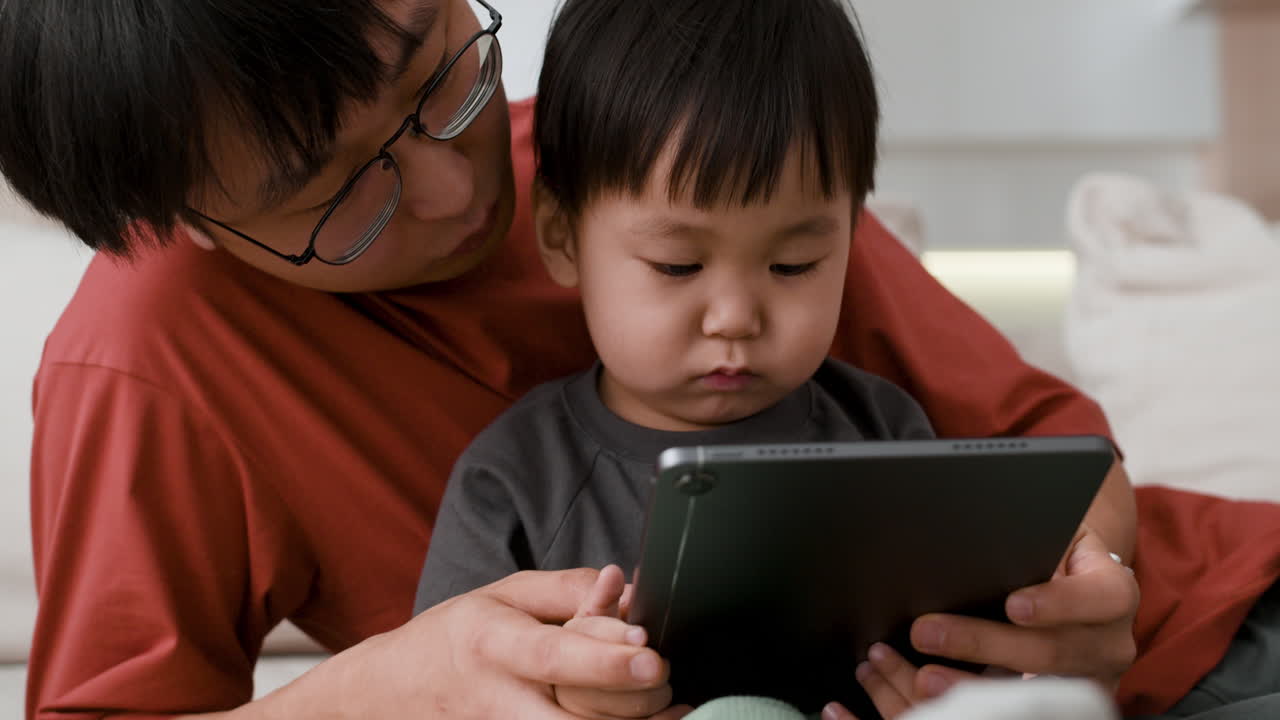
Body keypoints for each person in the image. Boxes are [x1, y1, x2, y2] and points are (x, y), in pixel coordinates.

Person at [0, 0, 1138, 717]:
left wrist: (1073, 593)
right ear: (184, 221)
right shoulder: (147, 363)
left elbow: (1058, 457)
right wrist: (383, 692)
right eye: (335, 193)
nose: (459, 191)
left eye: (437, 79)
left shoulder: (672, 154)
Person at [413, 1, 935, 716]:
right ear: (562, 237)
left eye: (793, 264)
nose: (735, 318)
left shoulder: (887, 441)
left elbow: (953, 653)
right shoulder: (515, 482)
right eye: (677, 265)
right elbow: (443, 697)